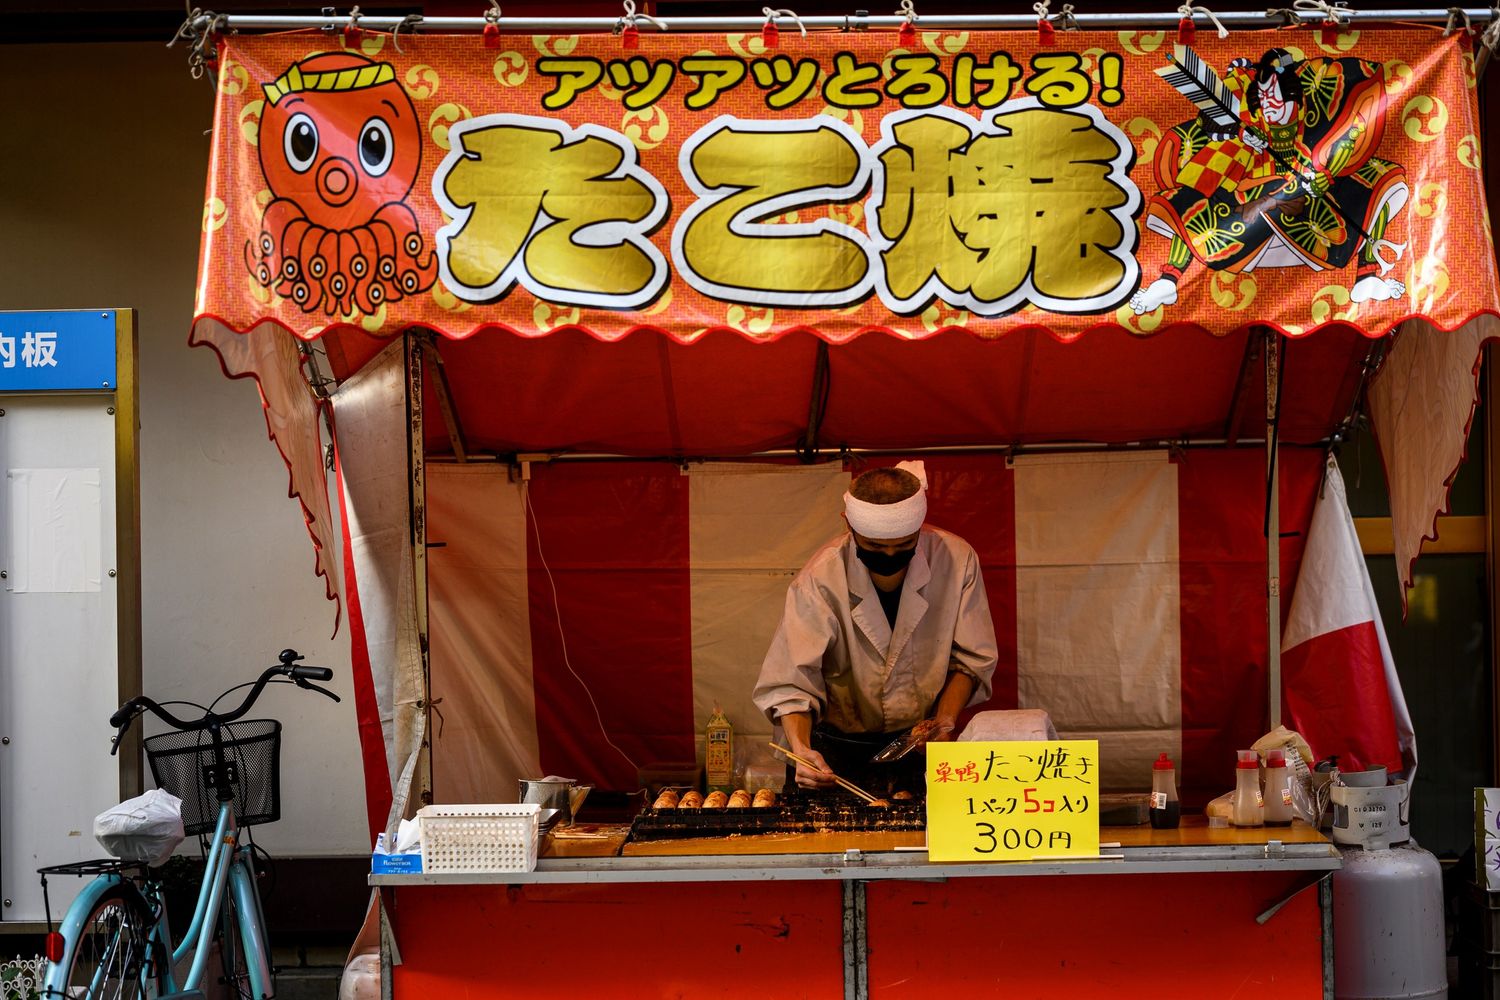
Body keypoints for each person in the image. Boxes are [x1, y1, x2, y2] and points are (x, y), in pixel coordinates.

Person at [752, 461, 998, 794]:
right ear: (848, 524)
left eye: (904, 545)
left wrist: (945, 720)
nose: (890, 555)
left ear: (919, 527)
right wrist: (800, 748)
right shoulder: (820, 578)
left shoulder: (956, 560)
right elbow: (791, 682)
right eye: (875, 547)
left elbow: (970, 659)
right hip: (833, 750)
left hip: (917, 744)